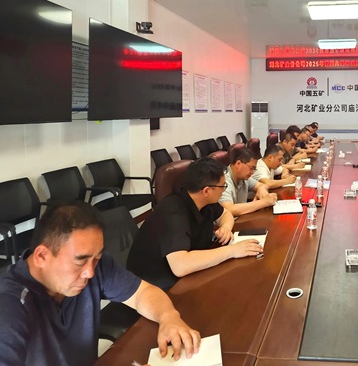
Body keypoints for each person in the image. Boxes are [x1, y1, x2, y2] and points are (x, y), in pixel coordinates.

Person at [0, 202, 200, 366]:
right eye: (80, 261)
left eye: (96, 258)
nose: (90, 272)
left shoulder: (96, 264)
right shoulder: (9, 305)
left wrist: (169, 317)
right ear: (42, 256)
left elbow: (142, 293)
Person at [127, 158, 262, 290]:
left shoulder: (204, 200)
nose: (223, 190)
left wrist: (225, 228)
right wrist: (232, 250)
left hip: (187, 273)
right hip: (153, 285)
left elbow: (225, 214)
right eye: (223, 186)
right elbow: (180, 266)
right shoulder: (173, 213)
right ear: (206, 191)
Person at [219, 148, 277, 216]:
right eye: (251, 168)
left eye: (254, 169)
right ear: (238, 164)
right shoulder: (223, 180)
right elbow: (229, 209)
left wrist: (261, 189)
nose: (252, 172)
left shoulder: (243, 178)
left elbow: (263, 185)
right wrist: (264, 202)